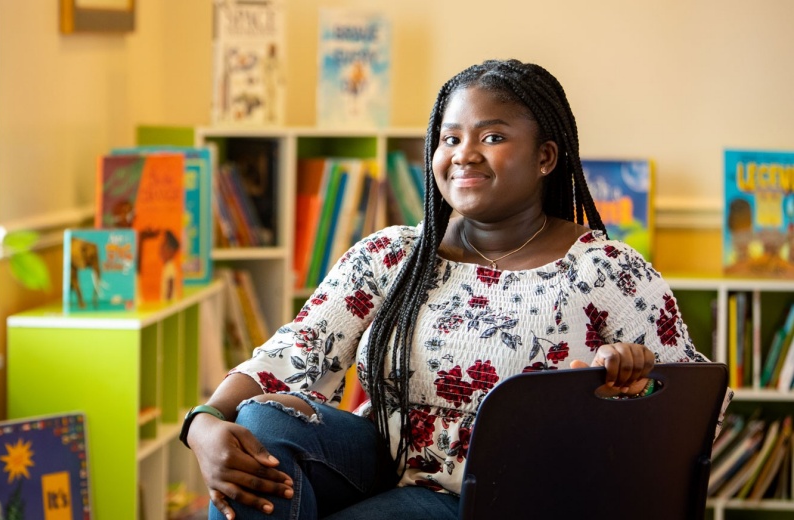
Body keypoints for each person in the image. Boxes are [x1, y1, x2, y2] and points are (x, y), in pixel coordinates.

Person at [182, 58, 730, 520]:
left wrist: (633, 381)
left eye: (492, 136)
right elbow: (296, 351)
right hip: (386, 463)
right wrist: (204, 422)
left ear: (545, 157)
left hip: (509, 495)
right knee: (258, 426)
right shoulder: (394, 255)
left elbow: (698, 408)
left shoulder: (605, 270)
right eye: (451, 138)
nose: (464, 153)